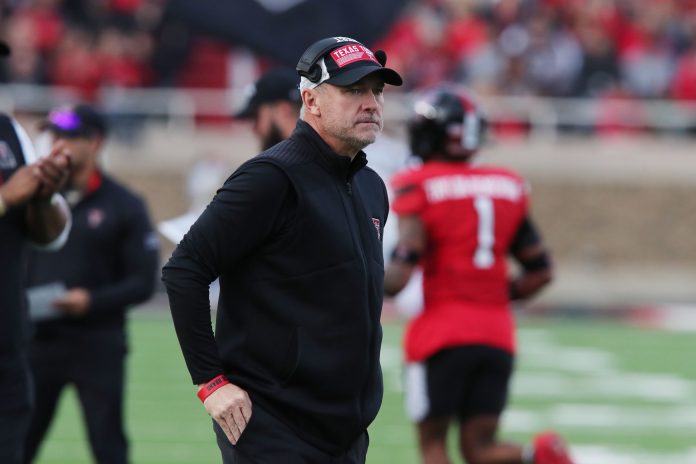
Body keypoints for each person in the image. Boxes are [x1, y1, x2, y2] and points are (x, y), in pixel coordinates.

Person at [162, 36, 402, 463]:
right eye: (353, 90)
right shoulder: (270, 177)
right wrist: (210, 382)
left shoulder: (370, 186)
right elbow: (185, 269)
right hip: (274, 425)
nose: (371, 103)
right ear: (311, 100)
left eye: (376, 90)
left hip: (345, 432)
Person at [384, 84, 573, 464]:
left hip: (440, 333)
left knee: (434, 444)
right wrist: (494, 295)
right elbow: (541, 272)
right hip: (496, 333)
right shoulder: (508, 185)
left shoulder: (418, 185)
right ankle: (537, 455)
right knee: (480, 447)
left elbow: (400, 277)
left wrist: (350, 275)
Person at [22, 104, 160, 464]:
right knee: (17, 443)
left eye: (69, 136)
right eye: (54, 135)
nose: (58, 145)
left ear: (94, 142)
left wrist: (92, 300)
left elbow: (143, 283)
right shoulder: (35, 197)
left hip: (97, 344)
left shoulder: (124, 205)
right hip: (37, 342)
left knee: (108, 446)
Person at [0, 40, 73, 464]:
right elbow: (9, 197)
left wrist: (45, 196)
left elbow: (50, 236)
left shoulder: (10, 134)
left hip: (6, 349)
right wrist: (7, 197)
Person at [235, 67, 302, 150]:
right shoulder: (317, 150)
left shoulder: (289, 160)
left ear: (283, 111)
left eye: (255, 116)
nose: (254, 129)